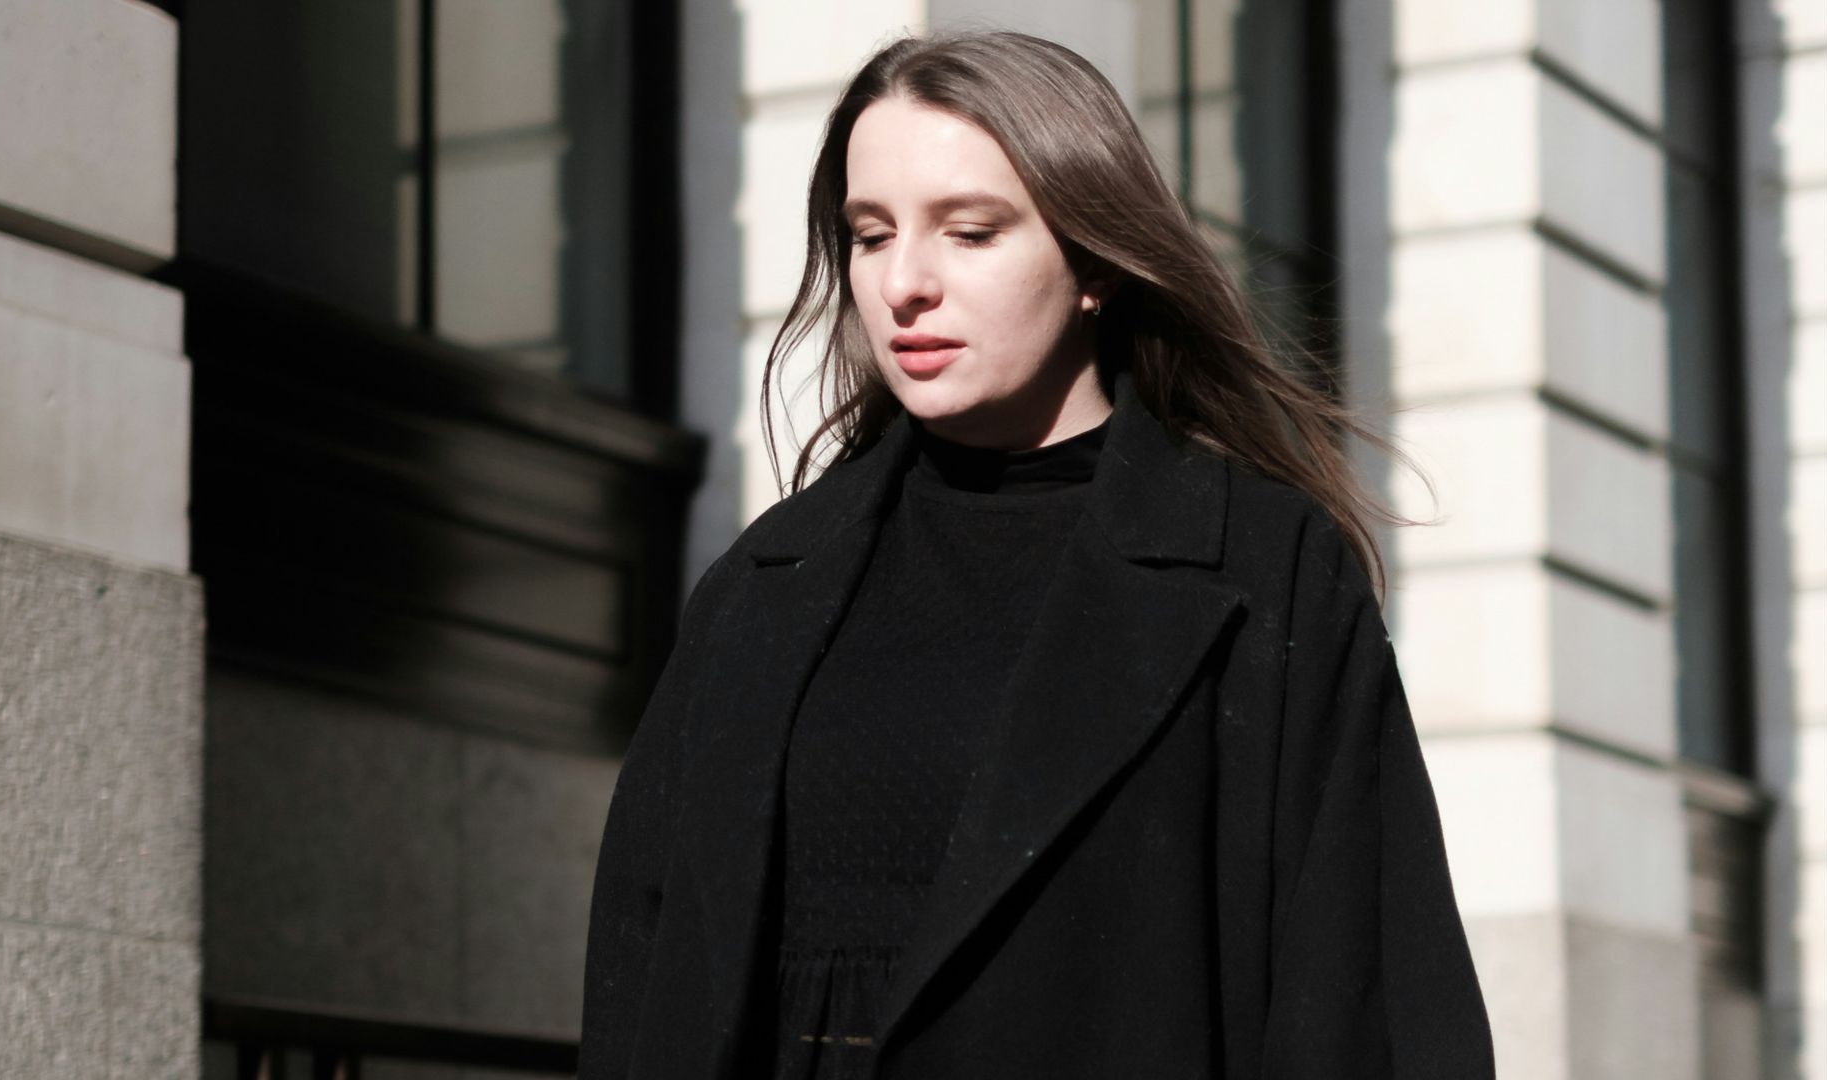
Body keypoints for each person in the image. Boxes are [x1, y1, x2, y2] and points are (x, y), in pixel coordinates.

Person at [580, 29, 1494, 1080]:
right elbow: (644, 979)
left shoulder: (1261, 576)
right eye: (871, 235)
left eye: (969, 232)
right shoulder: (762, 585)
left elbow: (1361, 1000)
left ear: (1094, 261)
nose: (903, 284)